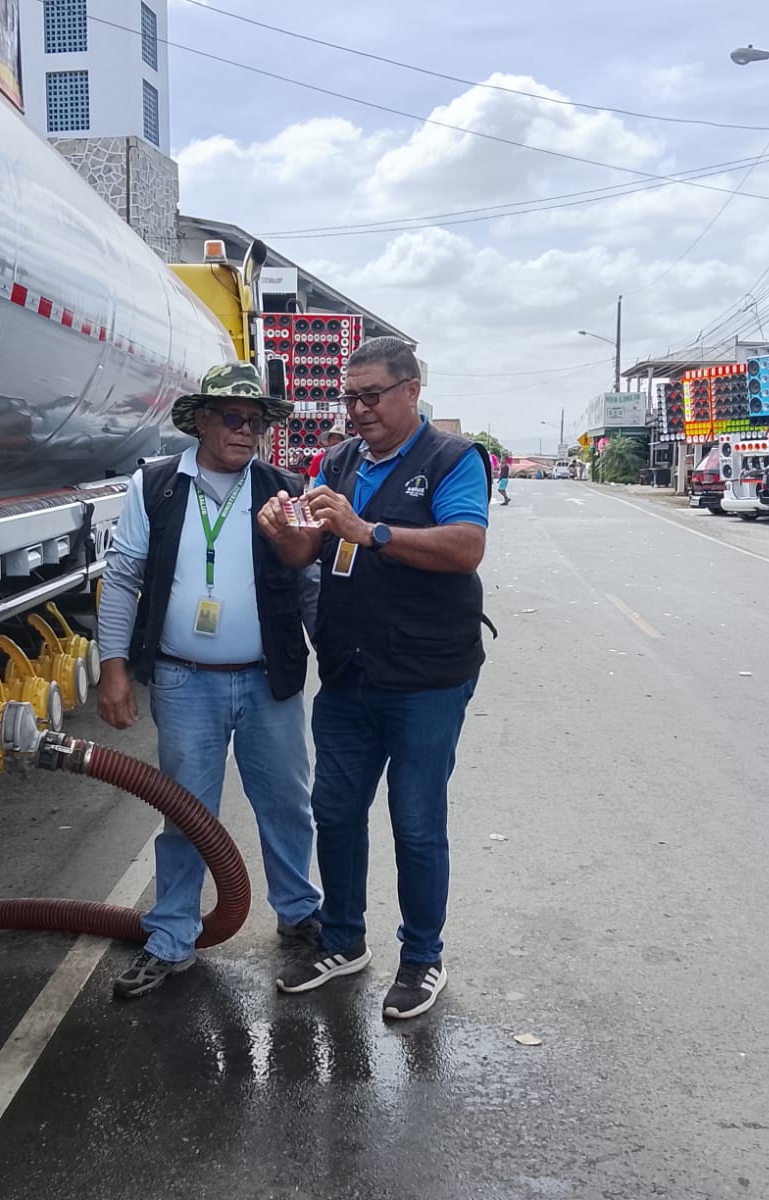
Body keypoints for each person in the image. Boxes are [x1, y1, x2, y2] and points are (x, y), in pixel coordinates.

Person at [257, 336, 492, 1021]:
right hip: (348, 674)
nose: (358, 410)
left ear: (411, 390)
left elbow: (466, 546)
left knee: (416, 823)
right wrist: (285, 532)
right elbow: (307, 548)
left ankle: (422, 958)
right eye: (349, 397)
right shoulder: (337, 461)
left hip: (426, 678)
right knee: (334, 811)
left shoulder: (453, 459)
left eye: (372, 395)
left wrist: (372, 531)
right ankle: (342, 941)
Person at [94, 362, 322, 999]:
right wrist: (113, 669)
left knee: (286, 803)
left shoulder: (284, 489)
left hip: (268, 680)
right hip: (183, 681)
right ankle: (171, 936)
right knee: (186, 811)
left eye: (255, 420)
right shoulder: (157, 486)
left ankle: (300, 914)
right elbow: (123, 580)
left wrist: (338, 661)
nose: (246, 430)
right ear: (200, 420)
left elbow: (308, 584)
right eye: (232, 417)